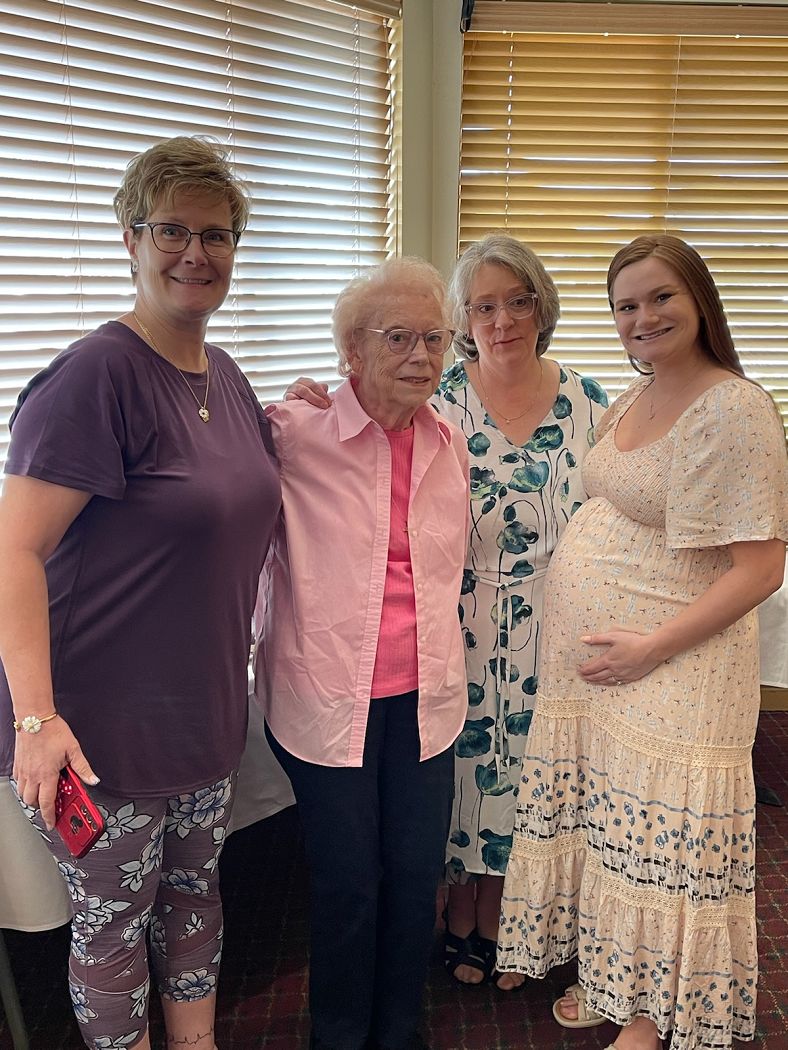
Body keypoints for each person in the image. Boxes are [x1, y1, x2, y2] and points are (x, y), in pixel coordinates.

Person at [0, 136, 281, 1050]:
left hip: (203, 713)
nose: (196, 253)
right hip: (100, 733)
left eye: (217, 234)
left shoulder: (226, 375)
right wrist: (36, 720)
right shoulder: (95, 377)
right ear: (130, 239)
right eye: (172, 231)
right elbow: (13, 551)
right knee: (113, 924)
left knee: (196, 894)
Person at [285, 233, 608, 991]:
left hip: (525, 637)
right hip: (435, 640)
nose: (502, 320)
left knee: (509, 797)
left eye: (517, 301)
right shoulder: (409, 404)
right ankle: (448, 929)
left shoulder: (568, 409)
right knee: (441, 806)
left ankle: (502, 932)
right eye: (482, 307)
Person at [497, 234, 788, 1050]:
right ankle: (612, 975)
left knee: (667, 840)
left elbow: (761, 568)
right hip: (609, 670)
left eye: (661, 297)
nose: (642, 317)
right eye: (626, 305)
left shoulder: (733, 406)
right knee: (615, 831)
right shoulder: (636, 395)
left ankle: (654, 1014)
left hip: (678, 663)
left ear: (699, 299)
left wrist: (652, 646)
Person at [255, 257, 470, 1050]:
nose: (421, 355)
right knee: (349, 884)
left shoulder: (449, 442)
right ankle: (341, 1036)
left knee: (415, 880)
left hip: (427, 701)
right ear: (351, 349)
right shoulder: (291, 434)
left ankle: (400, 1030)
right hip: (325, 700)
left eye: (434, 338)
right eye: (397, 337)